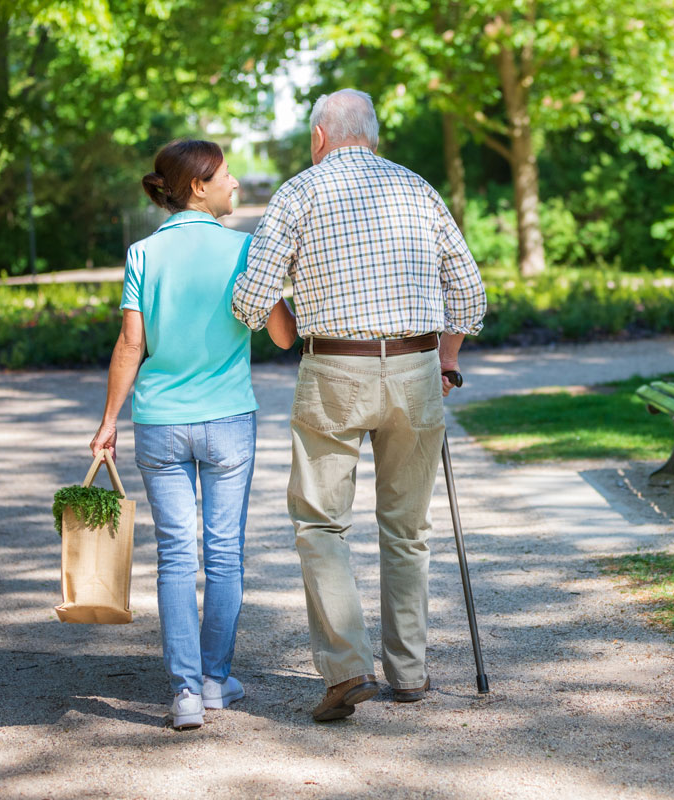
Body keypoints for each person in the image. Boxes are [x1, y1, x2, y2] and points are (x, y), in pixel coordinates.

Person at [231, 89, 486, 721]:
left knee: (321, 523)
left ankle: (347, 670)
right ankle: (410, 672)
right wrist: (447, 355)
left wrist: (284, 311)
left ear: (319, 136)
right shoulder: (417, 188)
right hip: (417, 367)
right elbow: (472, 295)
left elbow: (249, 300)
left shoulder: (298, 192)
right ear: (371, 135)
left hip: (335, 367)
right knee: (407, 528)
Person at [90, 138, 297, 730]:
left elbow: (132, 344)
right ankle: (213, 681)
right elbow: (282, 336)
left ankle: (183, 693)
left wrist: (108, 421)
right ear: (198, 186)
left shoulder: (143, 253)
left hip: (159, 422)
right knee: (224, 553)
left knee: (177, 556)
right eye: (227, 174)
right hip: (229, 420)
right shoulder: (247, 249)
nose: (236, 183)